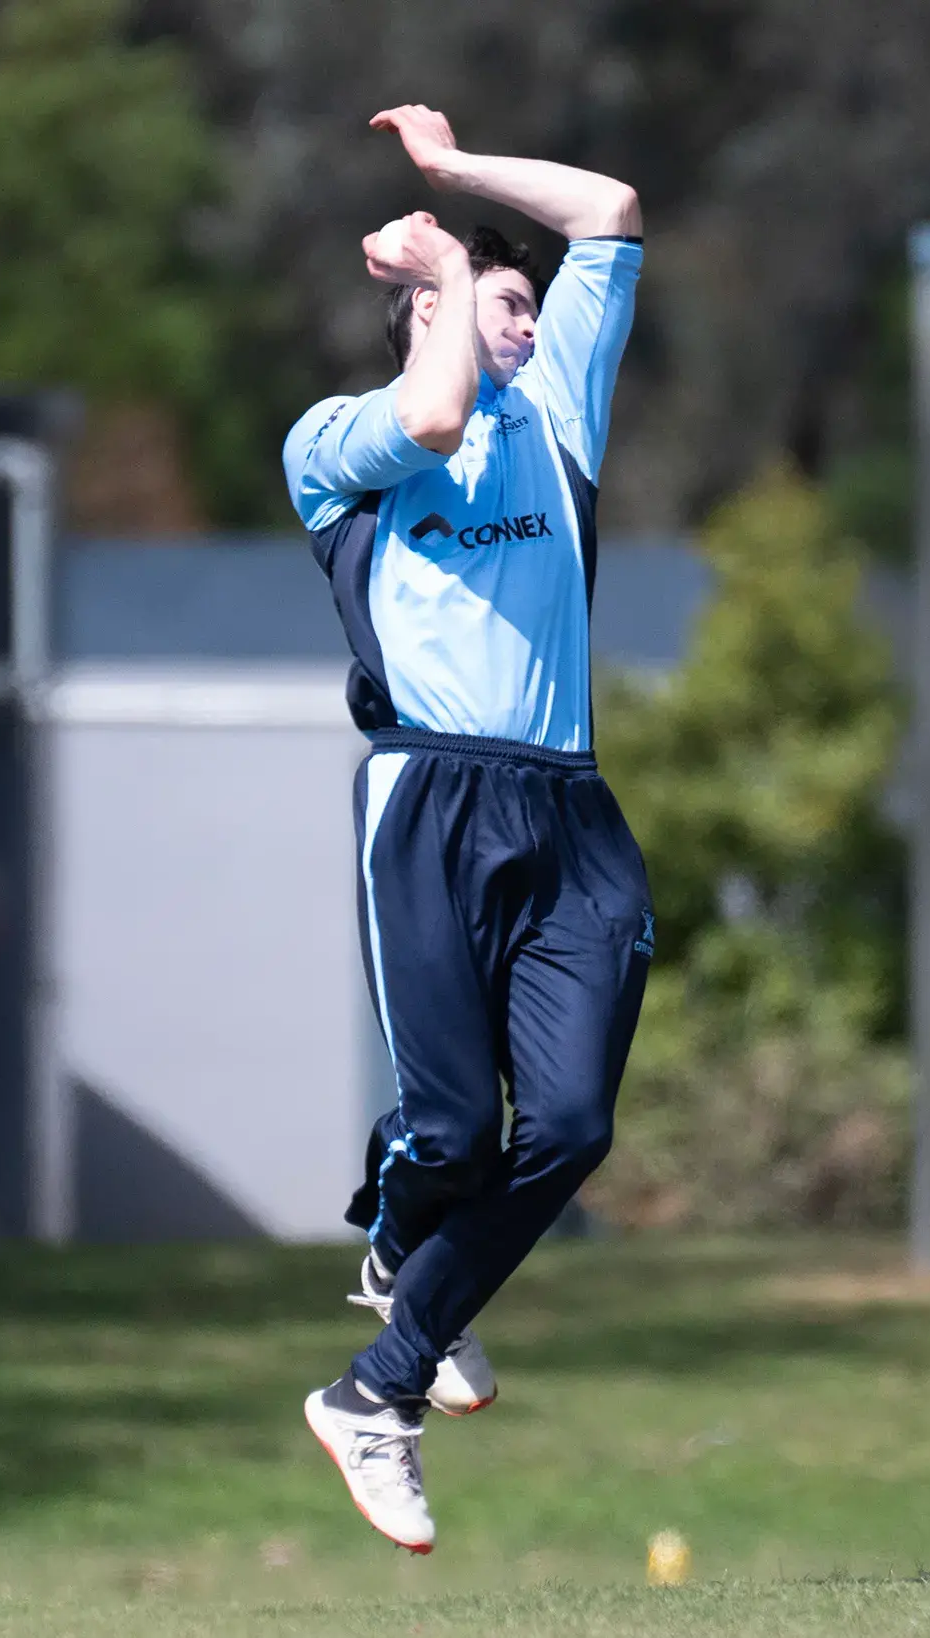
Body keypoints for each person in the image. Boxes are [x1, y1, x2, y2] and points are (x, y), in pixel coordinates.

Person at [280, 105, 653, 1554]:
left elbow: (612, 203)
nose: (529, 318)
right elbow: (431, 414)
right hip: (428, 794)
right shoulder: (343, 444)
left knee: (565, 1124)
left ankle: (381, 1379)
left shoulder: (556, 423)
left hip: (566, 801)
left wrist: (452, 181)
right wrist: (440, 270)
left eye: (530, 303)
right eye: (505, 299)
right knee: (448, 1125)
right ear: (424, 310)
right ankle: (405, 1265)